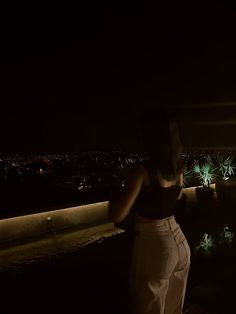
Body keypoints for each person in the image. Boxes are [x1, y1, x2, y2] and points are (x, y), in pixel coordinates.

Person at [109, 109, 191, 314]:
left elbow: (117, 214)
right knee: (174, 309)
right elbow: (178, 198)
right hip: (179, 242)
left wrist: (115, 189)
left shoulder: (142, 171)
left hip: (156, 246)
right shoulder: (177, 168)